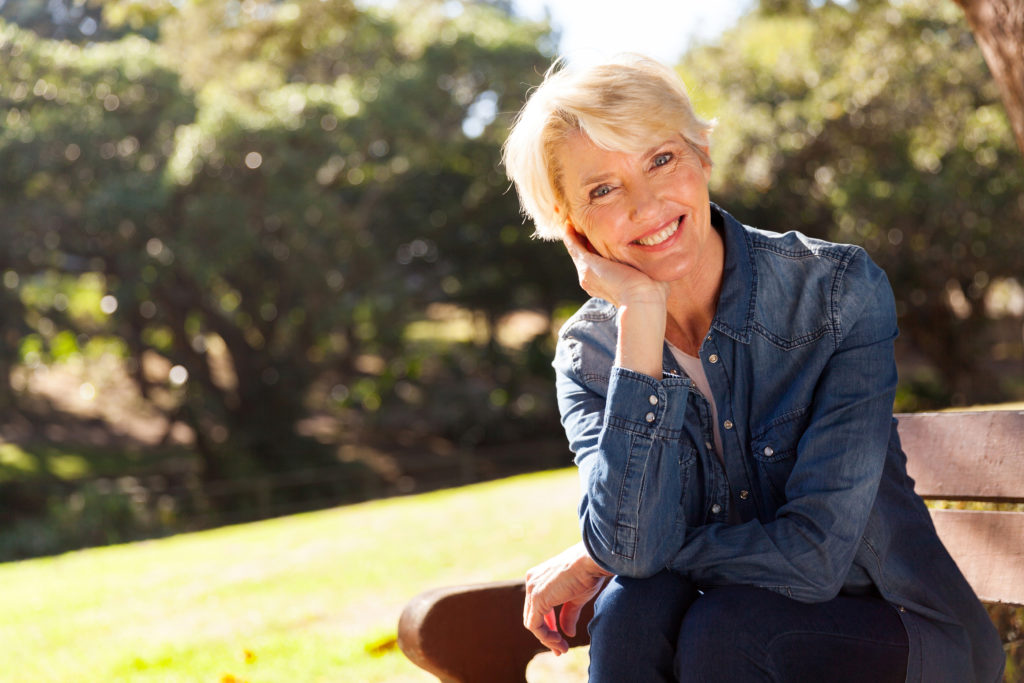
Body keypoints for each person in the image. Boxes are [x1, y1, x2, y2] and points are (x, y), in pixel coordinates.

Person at [501, 54, 1005, 682]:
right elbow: (632, 552)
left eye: (661, 159)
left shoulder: (834, 292)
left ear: (702, 154)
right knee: (632, 609)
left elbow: (816, 558)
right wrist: (640, 319)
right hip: (731, 623)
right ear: (571, 225)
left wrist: (605, 559)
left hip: (905, 628)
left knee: (720, 623)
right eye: (603, 189)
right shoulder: (591, 355)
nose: (647, 202)